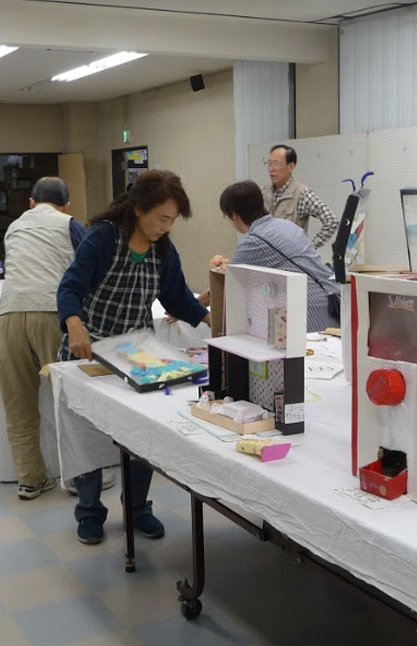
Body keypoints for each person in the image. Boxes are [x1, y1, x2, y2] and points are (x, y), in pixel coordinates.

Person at [56, 169, 210, 545]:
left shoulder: (162, 251)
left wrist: (213, 322)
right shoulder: (103, 239)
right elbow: (70, 287)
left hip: (136, 355)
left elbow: (177, 299)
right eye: (162, 218)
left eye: (172, 220)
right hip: (89, 352)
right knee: (88, 432)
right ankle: (90, 511)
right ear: (139, 210)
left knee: (142, 433)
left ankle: (138, 508)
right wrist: (75, 325)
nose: (166, 226)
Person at [0, 177, 86, 501]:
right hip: (52, 312)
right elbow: (87, 270)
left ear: (31, 202)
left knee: (18, 403)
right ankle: (80, 477)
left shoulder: (14, 227)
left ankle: (30, 479)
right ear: (66, 205)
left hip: (8, 315)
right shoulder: (71, 224)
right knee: (70, 398)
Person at [204, 180, 340, 332]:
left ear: (234, 215)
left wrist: (192, 308)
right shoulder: (286, 226)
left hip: (308, 315)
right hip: (335, 306)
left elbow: (227, 285)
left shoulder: (253, 243)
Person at [263, 144, 337, 249]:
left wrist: (309, 248)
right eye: (269, 163)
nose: (271, 169)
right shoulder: (264, 192)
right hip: (266, 259)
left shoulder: (301, 194)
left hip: (290, 261)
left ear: (291, 166)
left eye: (276, 164)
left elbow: (331, 221)